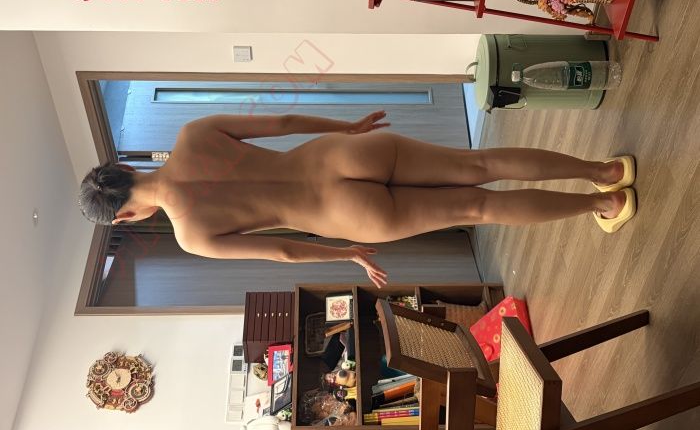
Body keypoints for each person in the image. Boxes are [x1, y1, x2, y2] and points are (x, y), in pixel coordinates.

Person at [79, 112, 636, 288]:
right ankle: (603, 171)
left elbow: (283, 252)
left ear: (125, 215)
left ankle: (603, 207)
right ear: (124, 168)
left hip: (344, 215)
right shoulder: (193, 135)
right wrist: (346, 128)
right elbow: (282, 122)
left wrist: (347, 253)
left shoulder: (191, 235)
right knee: (480, 165)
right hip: (338, 157)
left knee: (479, 208)